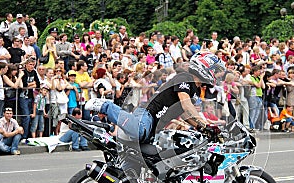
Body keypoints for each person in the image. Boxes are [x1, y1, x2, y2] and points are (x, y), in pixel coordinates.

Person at [84, 52, 225, 143]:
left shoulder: (195, 90)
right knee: (139, 132)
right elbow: (185, 105)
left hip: (155, 125)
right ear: (205, 67)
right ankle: (105, 105)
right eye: (216, 71)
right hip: (147, 115)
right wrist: (206, 124)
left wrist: (202, 129)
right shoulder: (185, 77)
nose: (218, 75)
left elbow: (184, 113)